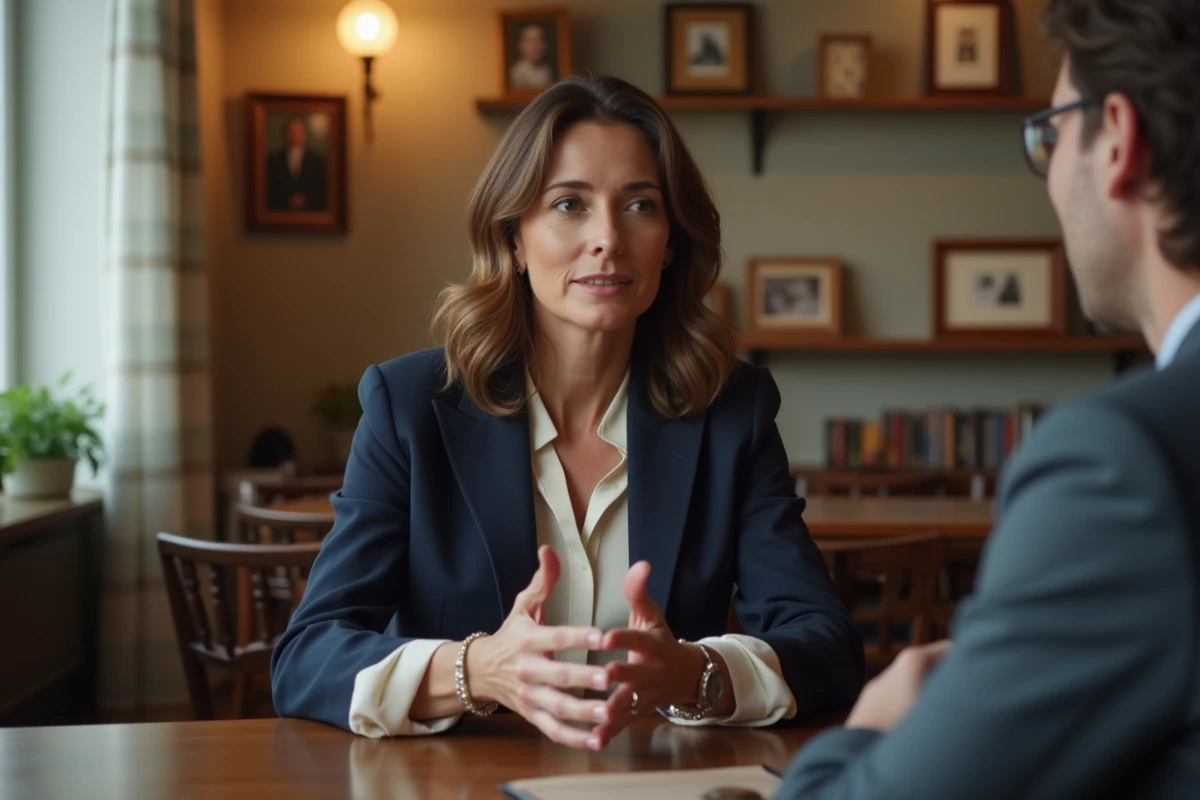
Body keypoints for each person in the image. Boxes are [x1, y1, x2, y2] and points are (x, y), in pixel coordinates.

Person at [270, 75, 863, 749]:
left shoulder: (732, 411)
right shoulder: (410, 407)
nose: (608, 237)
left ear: (670, 241)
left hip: (660, 787)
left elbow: (828, 646)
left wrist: (696, 673)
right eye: (568, 205)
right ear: (514, 240)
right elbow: (305, 658)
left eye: (640, 204)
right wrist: (478, 670)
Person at [776, 0, 1200, 796]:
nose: (1049, 176)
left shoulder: (1121, 466)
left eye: (1052, 133)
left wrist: (871, 723)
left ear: (1118, 139)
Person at [266, 118, 327, 211]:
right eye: (291, 131)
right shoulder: (273, 160)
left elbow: (321, 189)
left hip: (311, 213)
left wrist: (305, 200)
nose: (295, 135)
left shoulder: (317, 161)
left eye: (298, 131)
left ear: (305, 134)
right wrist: (287, 200)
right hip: (280, 212)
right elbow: (270, 189)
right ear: (285, 134)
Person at [509, 23, 554, 89]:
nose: (535, 46)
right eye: (530, 41)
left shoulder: (547, 70)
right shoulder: (517, 71)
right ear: (520, 45)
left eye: (539, 40)